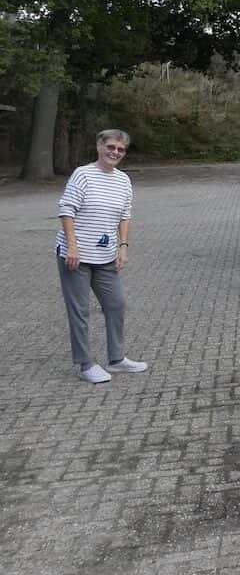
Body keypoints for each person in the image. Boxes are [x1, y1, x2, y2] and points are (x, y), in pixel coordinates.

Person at [56, 129, 148, 384]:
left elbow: (125, 215)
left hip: (106, 255)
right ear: (99, 146)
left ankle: (116, 359)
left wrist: (123, 246)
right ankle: (85, 364)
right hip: (76, 256)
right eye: (110, 147)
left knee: (116, 304)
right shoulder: (83, 175)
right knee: (80, 310)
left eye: (120, 149)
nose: (115, 152)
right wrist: (72, 246)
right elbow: (66, 210)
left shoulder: (123, 180)